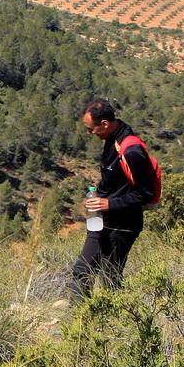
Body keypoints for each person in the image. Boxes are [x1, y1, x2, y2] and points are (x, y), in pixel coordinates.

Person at [68, 99, 160, 299]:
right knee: (82, 271)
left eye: (91, 129)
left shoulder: (131, 151)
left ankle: (115, 324)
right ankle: (78, 324)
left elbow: (146, 194)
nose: (89, 133)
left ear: (105, 124)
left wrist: (110, 203)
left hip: (122, 226)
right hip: (103, 221)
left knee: (110, 279)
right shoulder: (112, 141)